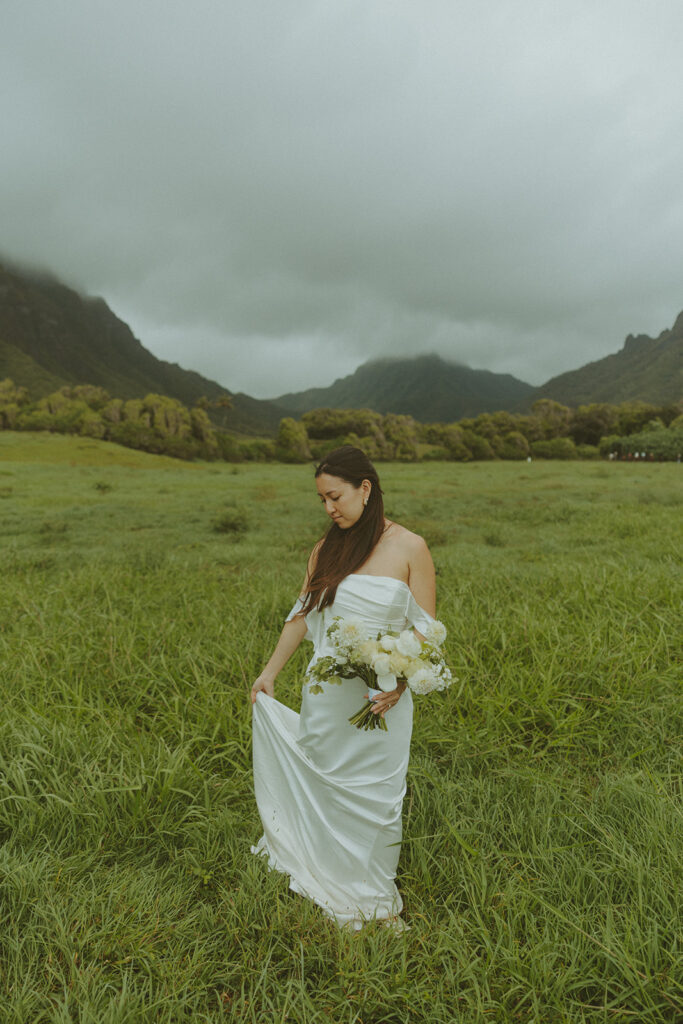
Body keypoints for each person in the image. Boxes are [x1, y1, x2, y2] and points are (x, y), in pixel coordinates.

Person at [250, 445, 439, 931]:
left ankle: (372, 890)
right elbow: (301, 615)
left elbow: (426, 628)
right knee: (324, 780)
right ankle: (324, 867)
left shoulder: (410, 547)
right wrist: (270, 672)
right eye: (322, 501)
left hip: (383, 698)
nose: (329, 508)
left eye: (335, 496)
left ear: (366, 488)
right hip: (326, 694)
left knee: (377, 795)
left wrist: (398, 681)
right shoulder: (326, 548)